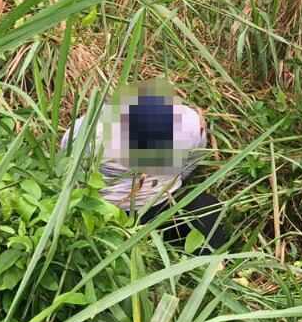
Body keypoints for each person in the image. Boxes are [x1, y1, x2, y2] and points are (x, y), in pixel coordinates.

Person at [60, 82, 228, 253]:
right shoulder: (87, 134)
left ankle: (214, 269)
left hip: (161, 204)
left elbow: (192, 158)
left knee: (205, 208)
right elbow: (69, 170)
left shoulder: (186, 126)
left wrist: (175, 180)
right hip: (106, 213)